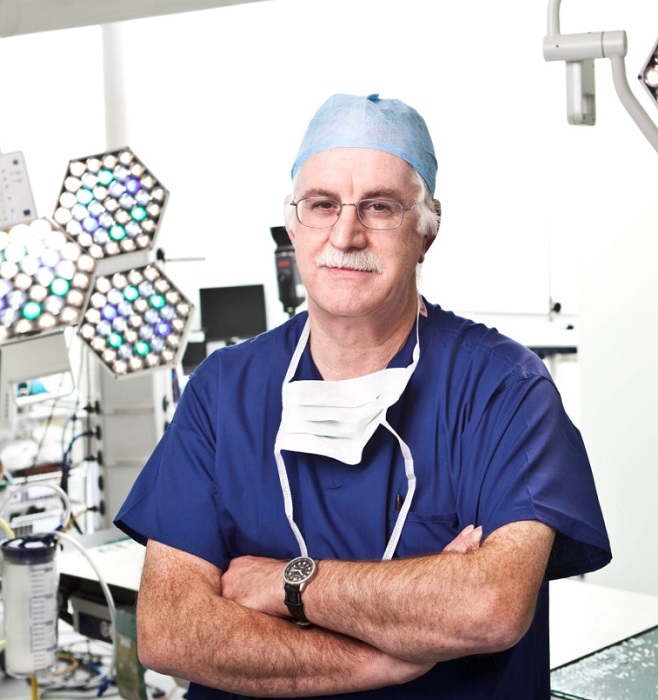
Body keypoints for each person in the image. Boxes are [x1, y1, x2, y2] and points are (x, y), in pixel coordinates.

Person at [115, 93, 611, 699]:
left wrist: (285, 583)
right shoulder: (223, 391)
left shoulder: (505, 390)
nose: (346, 234)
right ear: (293, 224)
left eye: (379, 207)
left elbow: (489, 607)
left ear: (427, 229)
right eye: (322, 205)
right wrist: (392, 657)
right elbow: (171, 631)